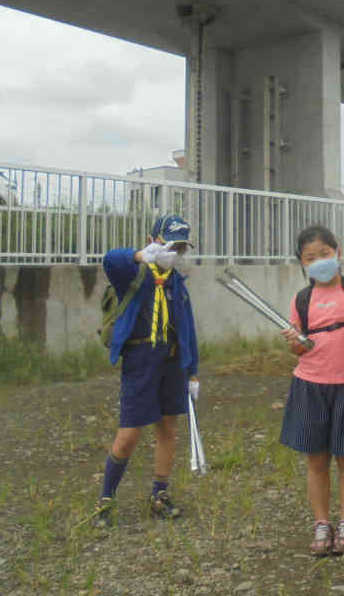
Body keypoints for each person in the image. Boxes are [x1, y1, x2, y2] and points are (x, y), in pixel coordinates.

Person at [279, 226, 344, 556]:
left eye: (324, 253)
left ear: (338, 252)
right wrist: (295, 344)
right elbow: (298, 350)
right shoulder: (301, 300)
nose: (319, 261)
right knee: (316, 459)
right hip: (310, 386)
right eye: (310, 257)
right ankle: (322, 524)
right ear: (302, 263)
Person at [94, 214, 200, 527]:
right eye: (168, 242)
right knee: (129, 433)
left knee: (167, 429)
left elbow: (188, 329)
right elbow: (110, 260)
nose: (173, 251)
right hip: (140, 360)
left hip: (171, 361)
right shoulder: (134, 274)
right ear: (154, 238)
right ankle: (107, 498)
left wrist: (192, 372)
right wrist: (141, 255)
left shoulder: (177, 282)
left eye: (179, 247)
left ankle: (160, 493)